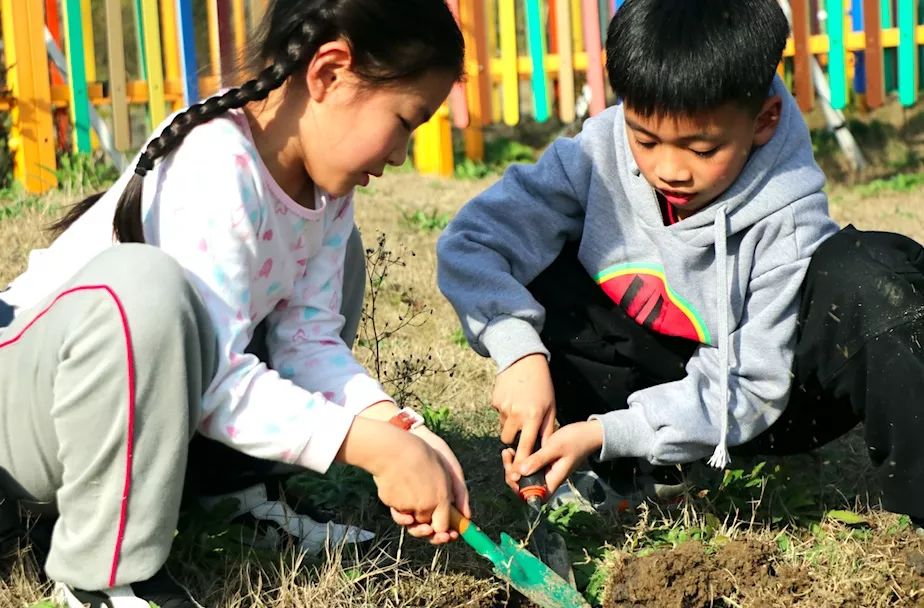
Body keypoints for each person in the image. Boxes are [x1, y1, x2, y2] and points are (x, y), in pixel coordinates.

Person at [0, 1, 470, 606]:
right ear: (328, 73)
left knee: (342, 263)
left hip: (118, 416)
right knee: (146, 291)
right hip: (26, 421)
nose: (403, 153)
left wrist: (399, 429)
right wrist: (370, 449)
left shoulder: (324, 199)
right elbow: (218, 379)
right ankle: (101, 573)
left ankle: (227, 493)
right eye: (406, 121)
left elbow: (309, 343)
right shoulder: (214, 160)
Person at [437, 0, 923, 531]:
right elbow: (473, 242)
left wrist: (605, 433)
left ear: (764, 121)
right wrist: (519, 352)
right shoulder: (594, 156)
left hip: (761, 403)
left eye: (701, 148)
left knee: (876, 277)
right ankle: (625, 467)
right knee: (530, 250)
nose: (669, 169)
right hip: (636, 376)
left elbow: (756, 385)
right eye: (645, 139)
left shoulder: (787, 211)